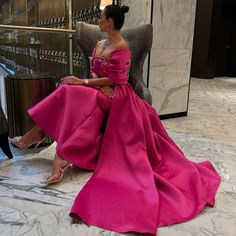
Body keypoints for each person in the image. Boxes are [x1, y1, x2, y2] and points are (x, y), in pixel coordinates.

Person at [11, 5, 221, 236]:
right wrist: (96, 82)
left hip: (118, 97)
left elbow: (118, 80)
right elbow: (96, 73)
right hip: (102, 91)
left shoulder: (122, 48)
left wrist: (88, 83)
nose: (98, 21)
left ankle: (50, 145)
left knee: (71, 91)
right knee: (68, 92)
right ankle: (53, 147)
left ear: (109, 22)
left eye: (101, 18)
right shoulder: (100, 44)